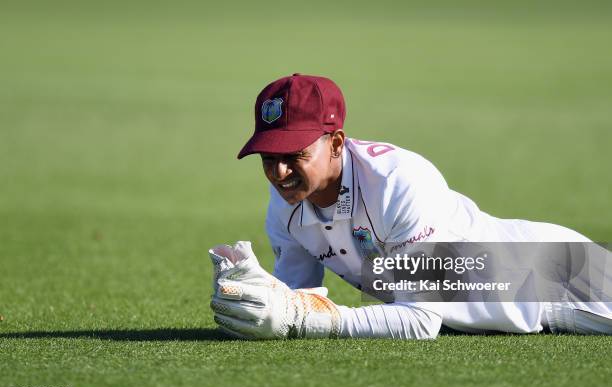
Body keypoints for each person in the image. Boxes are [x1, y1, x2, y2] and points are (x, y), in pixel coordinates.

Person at [208, 73, 612, 340]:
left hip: (556, 278)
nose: (279, 172)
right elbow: (297, 296)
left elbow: (420, 319)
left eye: (293, 154)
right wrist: (258, 299)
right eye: (267, 157)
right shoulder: (285, 207)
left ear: (335, 144)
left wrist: (311, 320)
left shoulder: (396, 182)